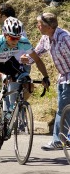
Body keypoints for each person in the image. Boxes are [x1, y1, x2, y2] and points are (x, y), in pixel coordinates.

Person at [0, 17, 50, 153]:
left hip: (9, 62)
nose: (15, 41)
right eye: (12, 38)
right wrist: (1, 76)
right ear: (4, 34)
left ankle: (17, 109)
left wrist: (45, 77)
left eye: (18, 38)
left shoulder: (23, 42)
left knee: (28, 83)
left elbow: (37, 60)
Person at [24, 13, 70, 150]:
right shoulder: (46, 38)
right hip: (63, 77)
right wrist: (27, 59)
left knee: (62, 109)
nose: (37, 26)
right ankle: (64, 139)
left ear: (49, 27)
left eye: (40, 24)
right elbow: (37, 53)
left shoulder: (65, 38)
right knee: (63, 109)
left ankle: (58, 141)